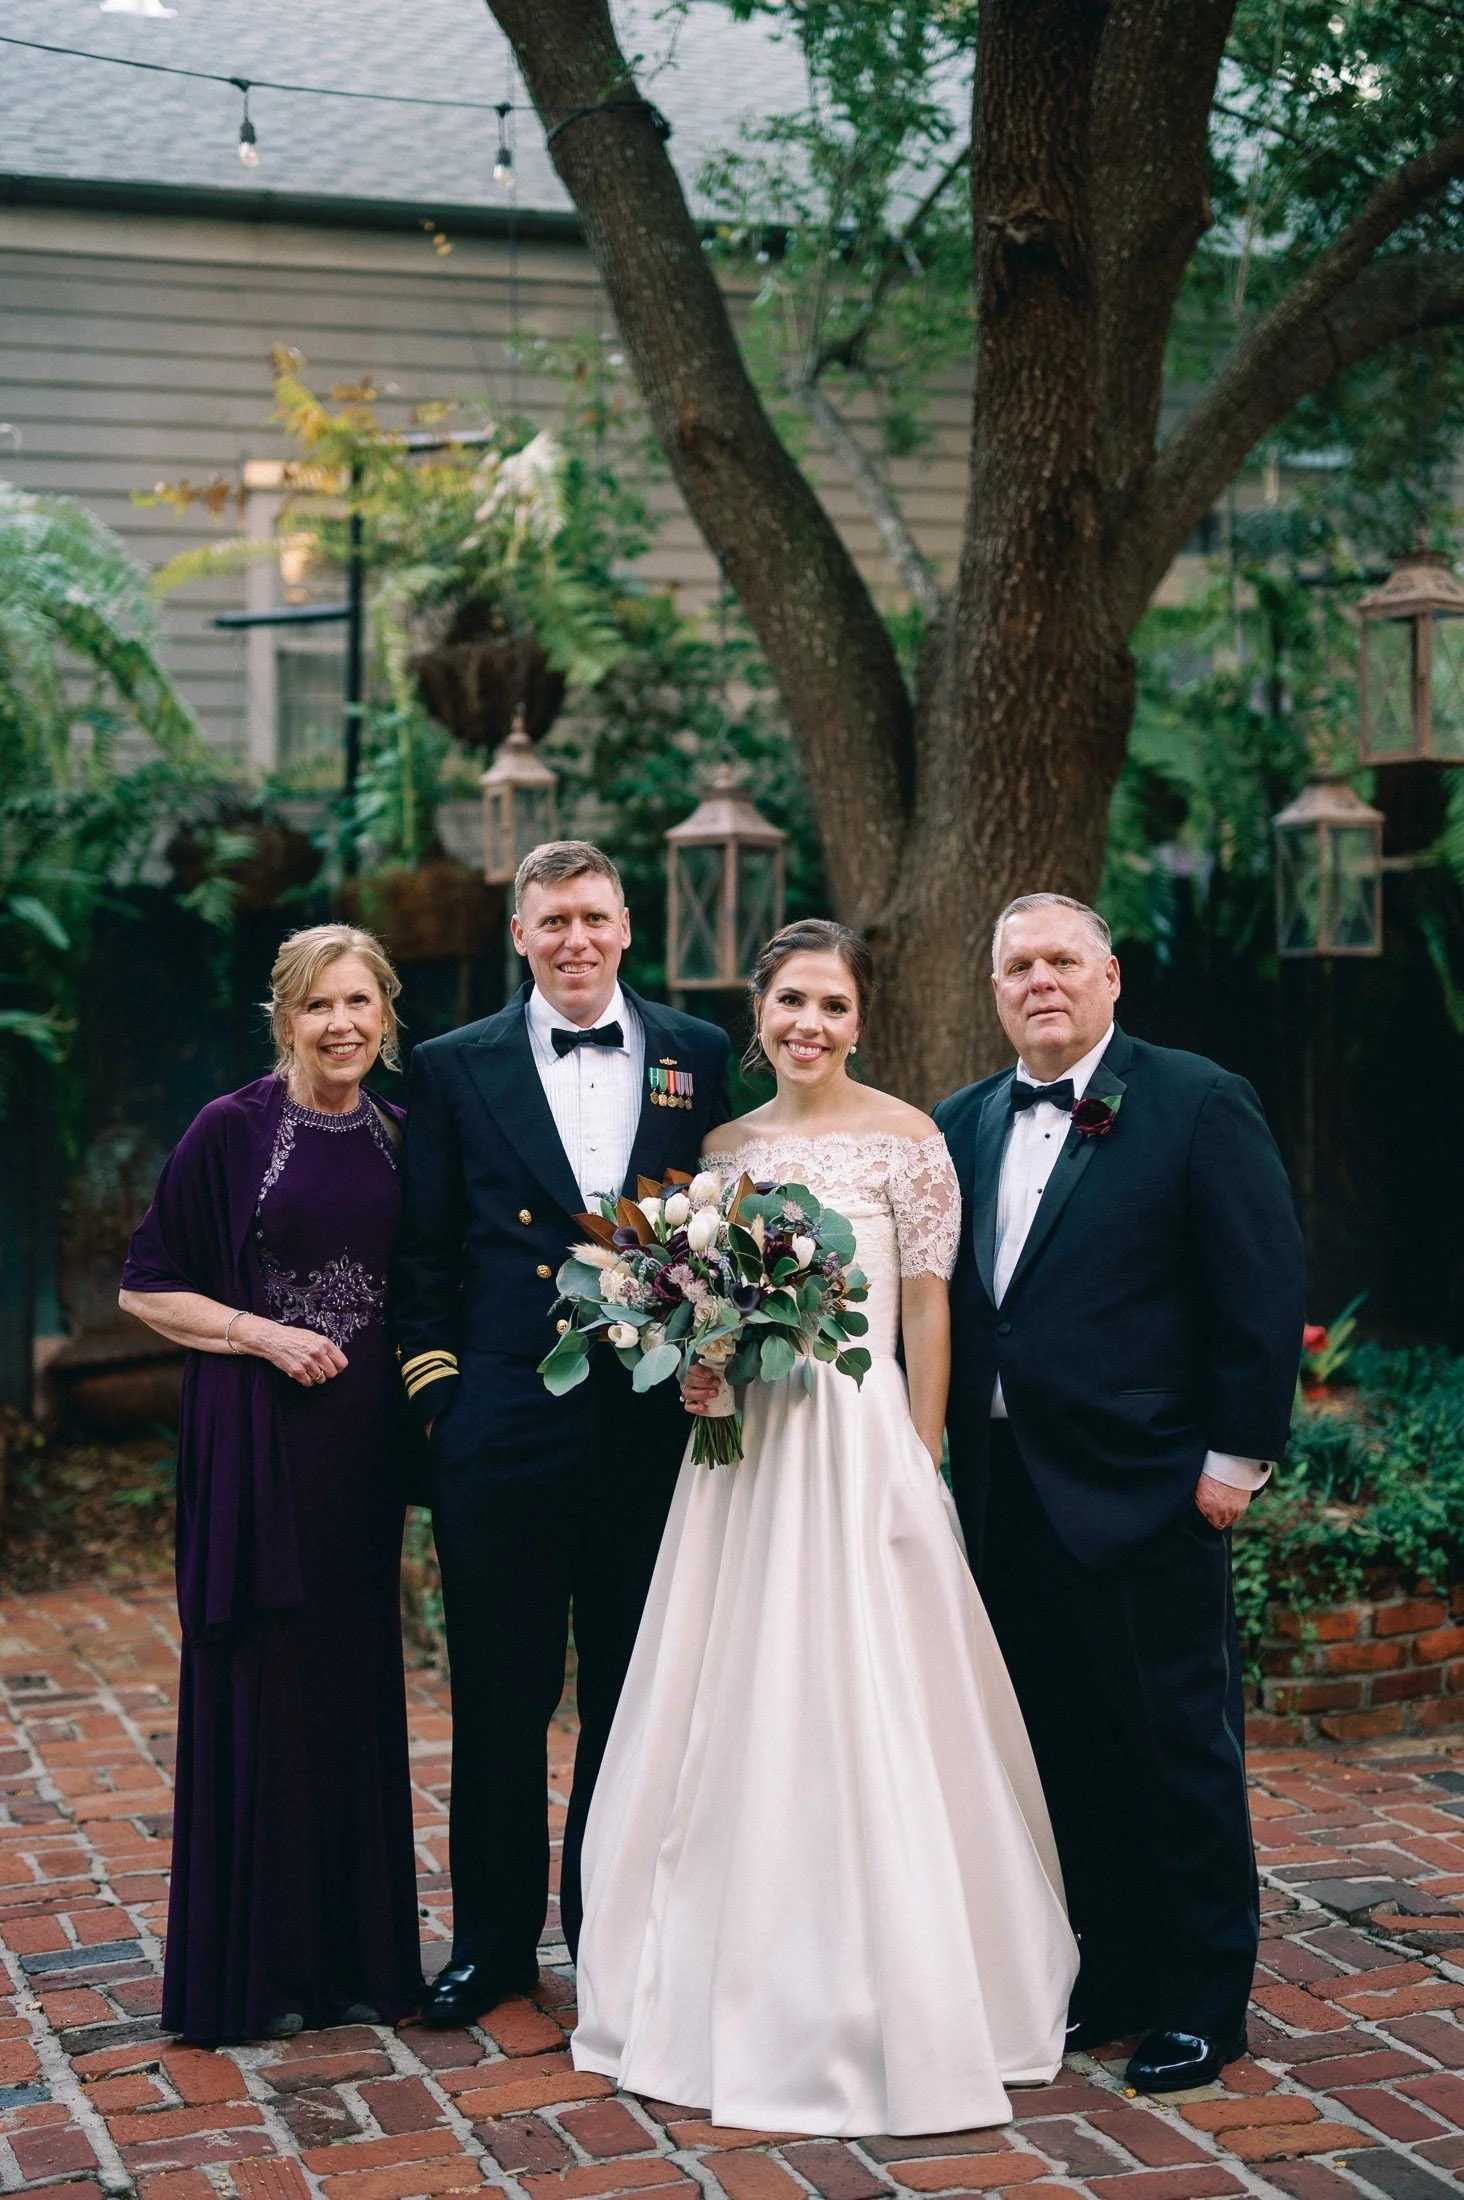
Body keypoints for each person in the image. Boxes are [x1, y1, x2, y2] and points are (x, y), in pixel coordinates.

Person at [571, 919, 1078, 2138]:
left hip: (859, 1442)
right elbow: (705, 1308)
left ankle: (906, 1971)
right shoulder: (723, 1146)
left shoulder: (912, 1140)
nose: (811, 1024)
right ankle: (722, 1955)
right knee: (733, 1683)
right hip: (742, 1456)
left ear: (862, 1019)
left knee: (877, 1683)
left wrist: (923, 1449)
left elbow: (929, 1304)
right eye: (792, 1001)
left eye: (834, 1006)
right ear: (760, 1013)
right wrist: (698, 1367)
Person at [935, 892, 1305, 2096]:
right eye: (1017, 964)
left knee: (1177, 1747)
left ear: (1109, 976)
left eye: (1061, 960)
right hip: (1008, 1499)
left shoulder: (1196, 1098)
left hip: (1149, 1488)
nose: (1039, 979)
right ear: (995, 988)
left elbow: (1258, 1283)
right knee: (1062, 1748)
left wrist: (1233, 1462)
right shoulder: (962, 1122)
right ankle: (1115, 1967)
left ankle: (1205, 1996)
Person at [393, 840, 730, 2029]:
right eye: (552, 922)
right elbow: (421, 1253)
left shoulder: (700, 1053)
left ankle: (612, 1929)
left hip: (647, 1431)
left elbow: (725, 1241)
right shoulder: (449, 1065)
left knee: (634, 1689)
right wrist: (443, 1405)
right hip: (502, 1422)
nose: (575, 939)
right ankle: (490, 1944)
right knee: (500, 1689)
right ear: (521, 934)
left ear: (626, 925)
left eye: (593, 917)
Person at [118, 923, 423, 2045]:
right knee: (262, 1689)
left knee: (349, 1688)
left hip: (364, 1458)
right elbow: (147, 1287)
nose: (341, 1025)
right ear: (284, 1016)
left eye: (360, 1003)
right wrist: (259, 1334)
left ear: (385, 1013)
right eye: (318, 1006)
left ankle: (352, 1958)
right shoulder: (233, 1132)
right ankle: (253, 1967)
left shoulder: (401, 1133)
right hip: (258, 1448)